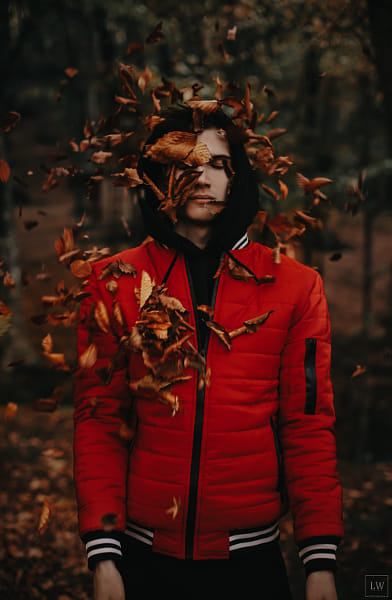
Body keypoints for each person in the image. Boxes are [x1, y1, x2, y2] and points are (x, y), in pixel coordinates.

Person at [73, 105, 343, 600]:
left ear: (236, 176)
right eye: (185, 162)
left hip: (251, 563)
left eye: (217, 163)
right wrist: (104, 553)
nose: (201, 176)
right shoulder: (113, 281)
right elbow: (100, 418)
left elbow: (307, 423)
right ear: (158, 177)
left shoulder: (296, 286)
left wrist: (319, 557)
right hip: (143, 556)